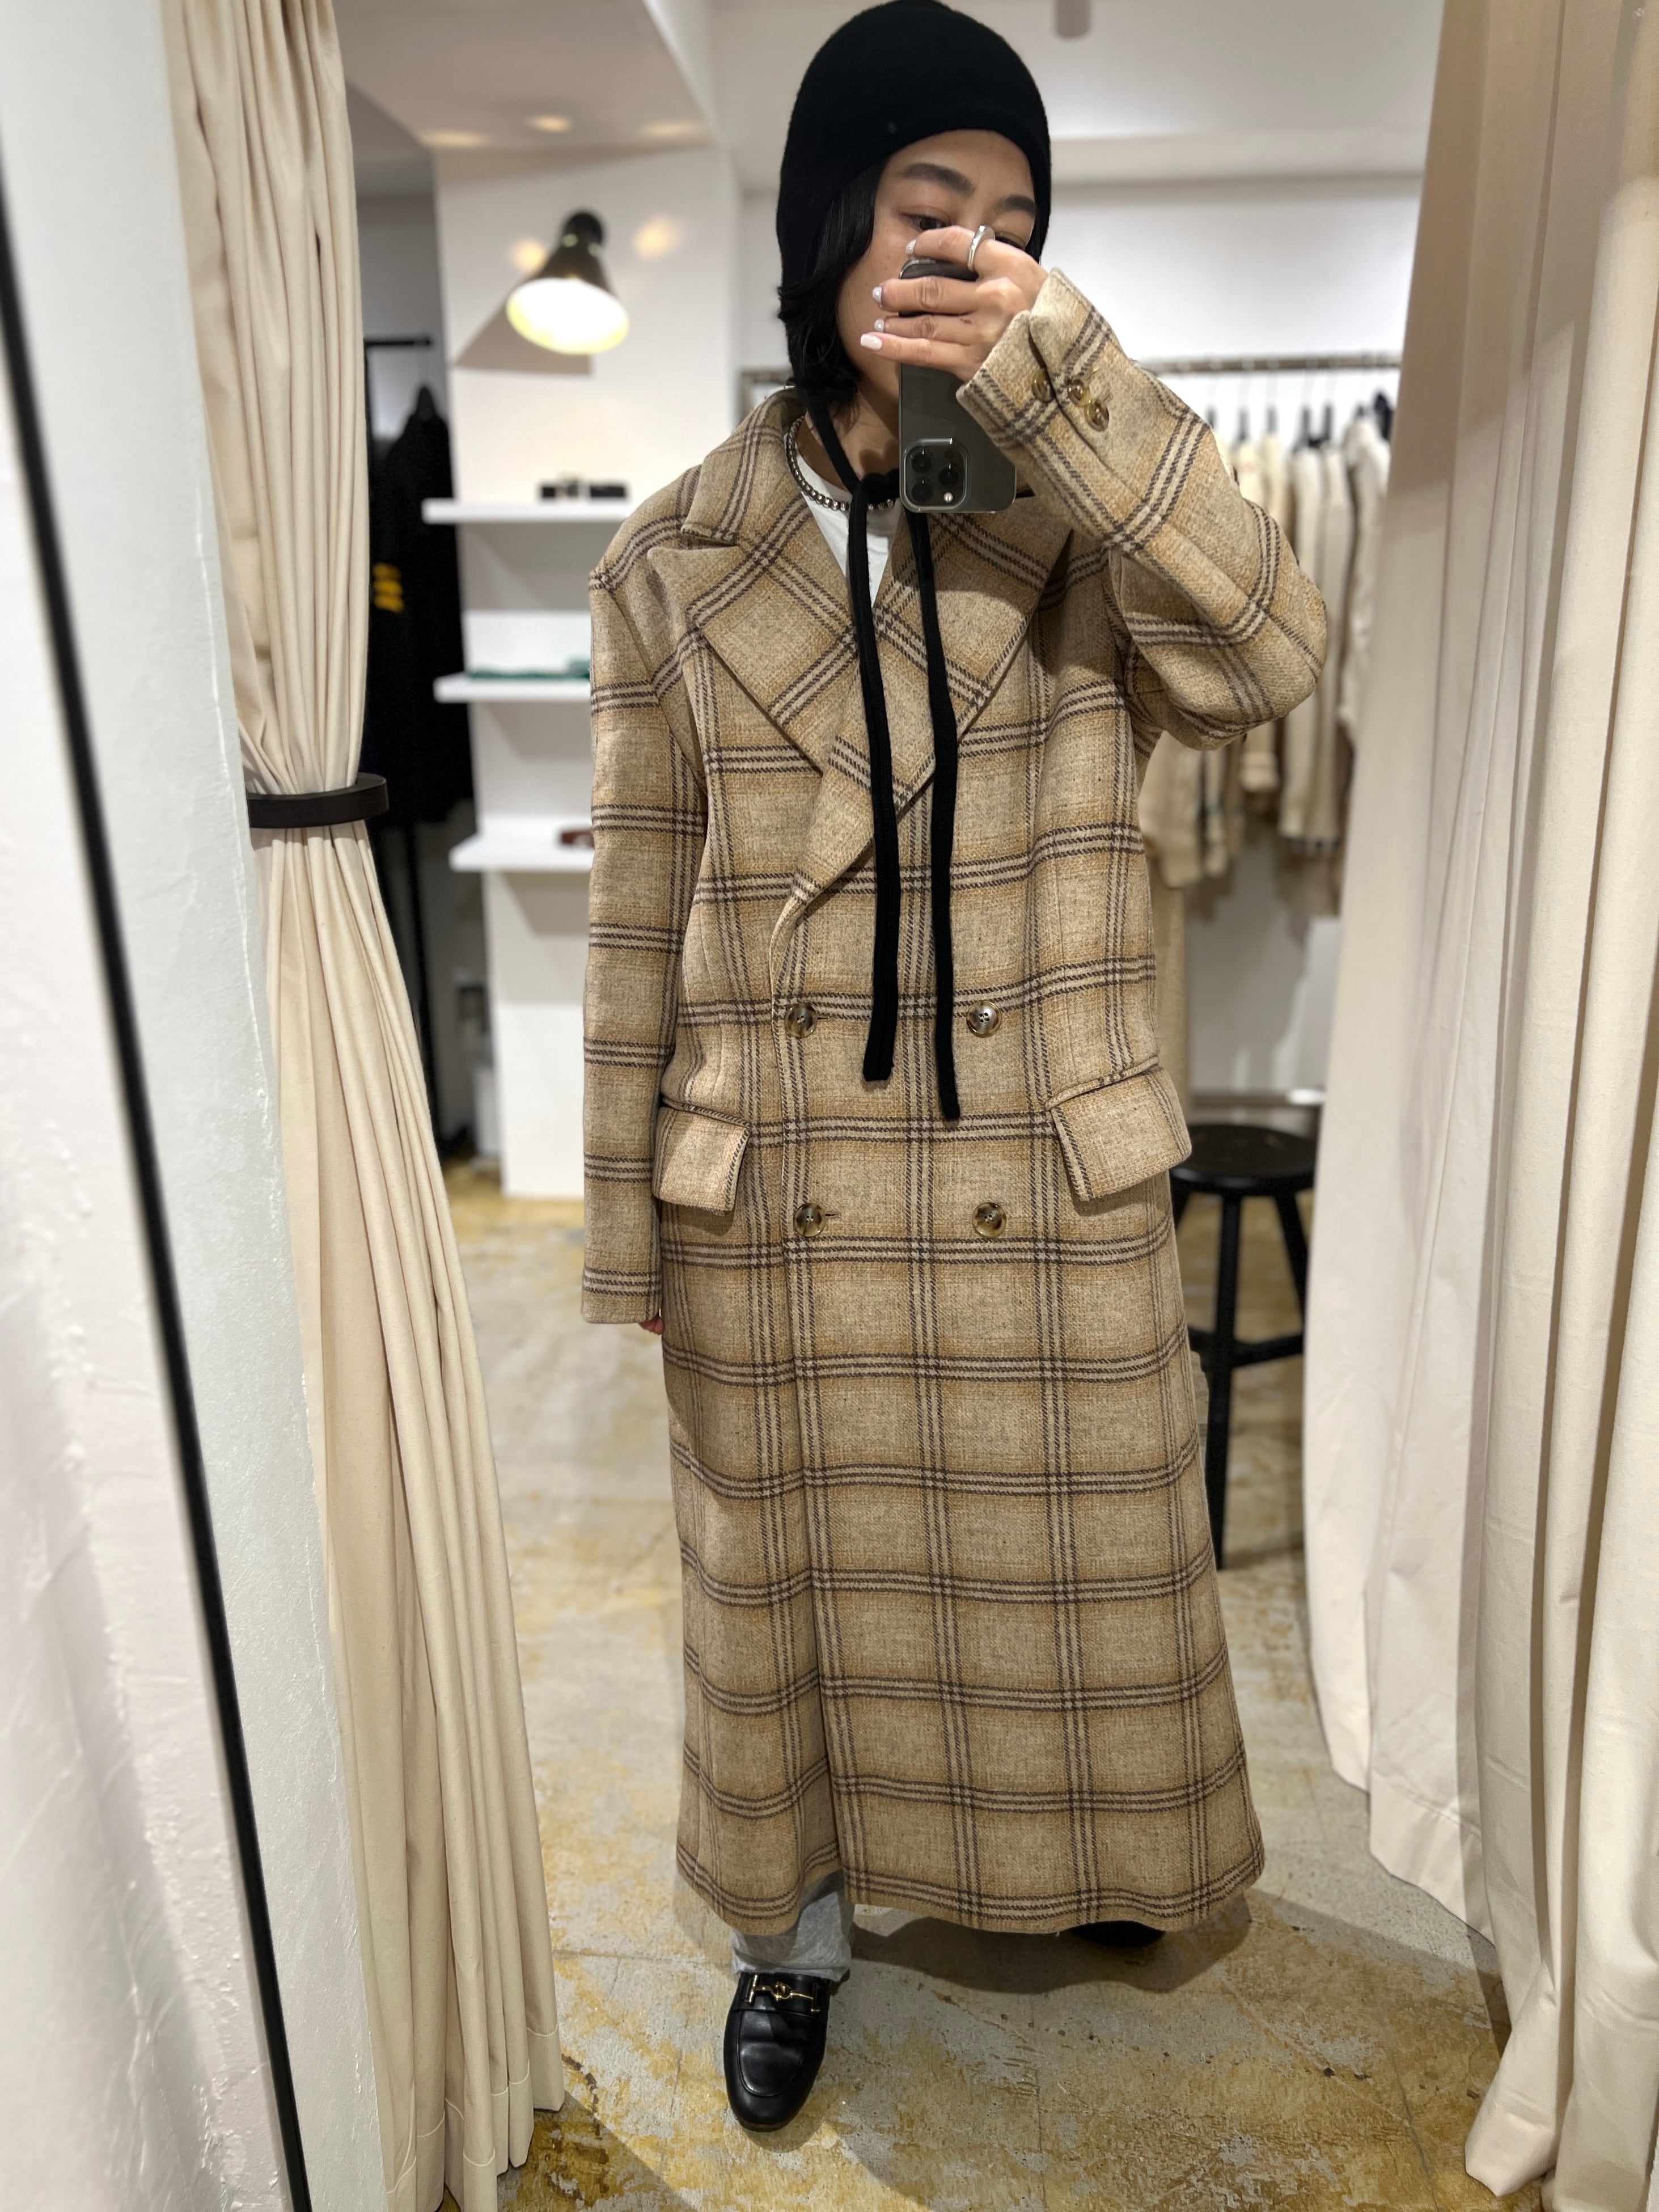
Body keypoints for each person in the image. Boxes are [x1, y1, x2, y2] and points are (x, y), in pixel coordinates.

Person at [581, 0, 1326, 2133]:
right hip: (783, 1190)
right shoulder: (675, 553)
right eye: (931, 204)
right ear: (830, 220)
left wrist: (1059, 377)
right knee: (787, 1609)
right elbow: (640, 911)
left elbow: (1272, 658)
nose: (971, 250)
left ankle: (1084, 1851)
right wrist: (629, 1236)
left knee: (1073, 1584)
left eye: (1016, 222)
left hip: (1038, 1169)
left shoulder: (1081, 510)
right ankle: (794, 1933)